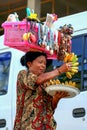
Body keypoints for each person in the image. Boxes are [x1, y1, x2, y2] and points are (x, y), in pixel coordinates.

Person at [13, 51, 72, 130]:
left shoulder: (46, 84)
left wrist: (57, 98)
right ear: (29, 64)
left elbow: (50, 108)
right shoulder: (23, 74)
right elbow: (36, 80)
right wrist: (59, 70)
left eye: (45, 63)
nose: (43, 66)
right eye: (40, 62)